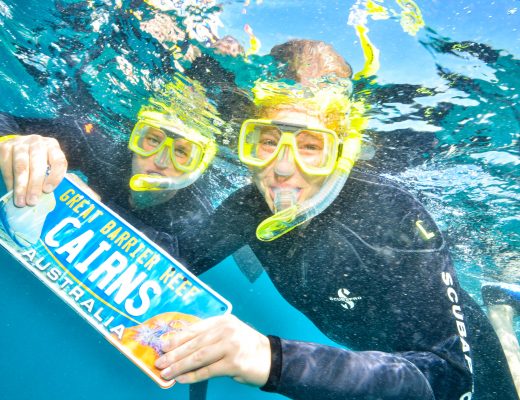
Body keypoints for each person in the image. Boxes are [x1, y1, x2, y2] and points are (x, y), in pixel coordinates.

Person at [153, 39, 518, 400]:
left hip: (476, 373)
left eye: (311, 147)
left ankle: (502, 322)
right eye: (267, 141)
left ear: (341, 153)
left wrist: (273, 360)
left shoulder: (391, 215)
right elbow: (172, 258)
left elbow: (450, 375)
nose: (281, 168)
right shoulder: (248, 207)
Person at [0, 74, 220, 258]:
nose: (160, 161)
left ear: (197, 167)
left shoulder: (196, 217)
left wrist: (95, 211)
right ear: (134, 139)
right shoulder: (104, 150)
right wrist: (10, 142)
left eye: (181, 152)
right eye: (152, 140)